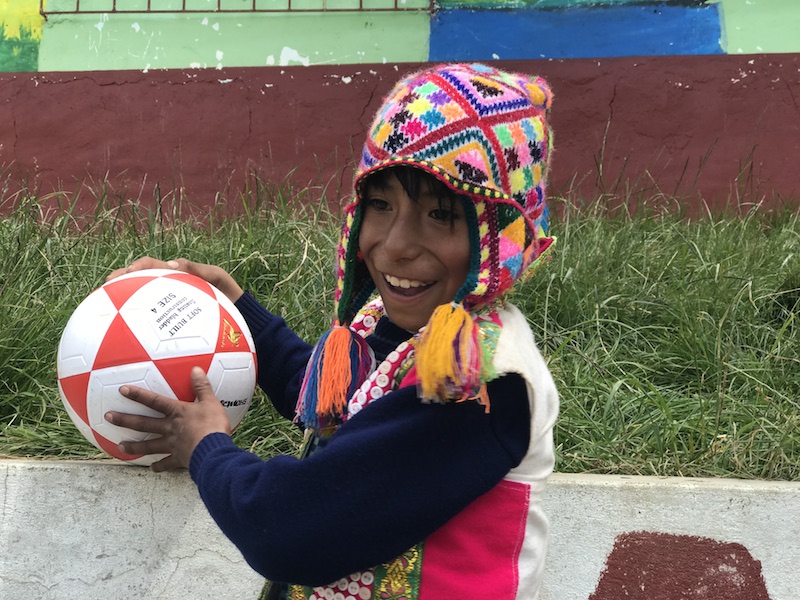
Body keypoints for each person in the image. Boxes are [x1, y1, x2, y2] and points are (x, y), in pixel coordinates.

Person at [105, 62, 560, 600]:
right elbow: (330, 396)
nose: (395, 245)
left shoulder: (480, 383)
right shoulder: (396, 327)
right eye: (381, 204)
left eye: (441, 215)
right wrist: (232, 306)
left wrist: (205, 446)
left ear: (497, 240)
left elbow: (292, 530)